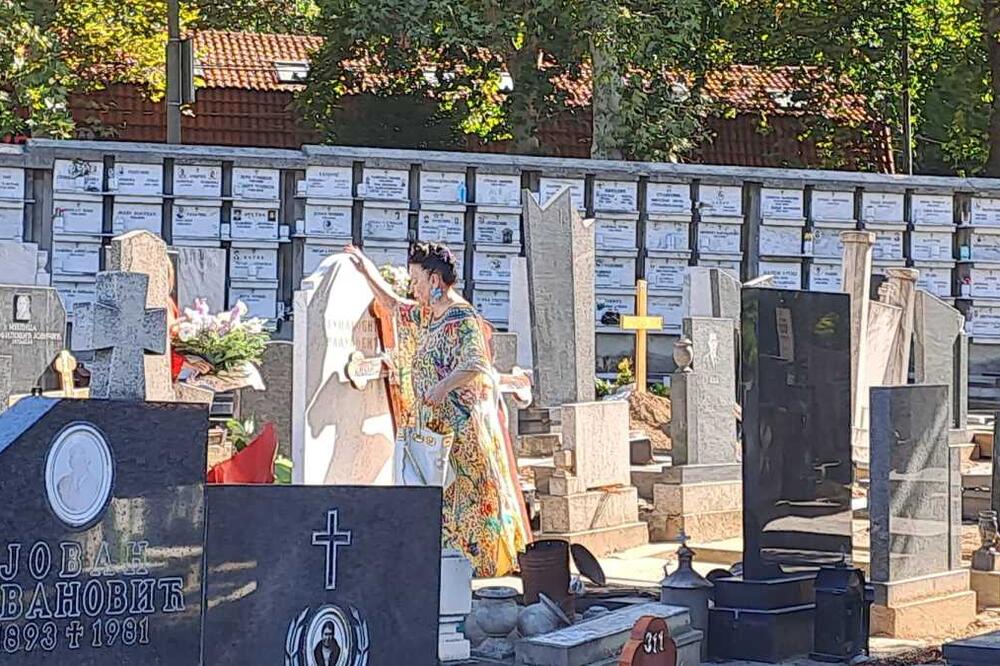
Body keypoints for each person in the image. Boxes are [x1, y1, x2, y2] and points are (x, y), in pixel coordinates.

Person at [346, 242, 528, 577]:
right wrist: (365, 269)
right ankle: (453, 564)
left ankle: (484, 564)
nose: (413, 287)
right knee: (446, 499)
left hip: (465, 429)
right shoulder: (430, 312)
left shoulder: (462, 317)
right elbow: (393, 306)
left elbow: (475, 363)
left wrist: (440, 388)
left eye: (416, 279)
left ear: (434, 278)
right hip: (439, 428)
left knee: (472, 495)